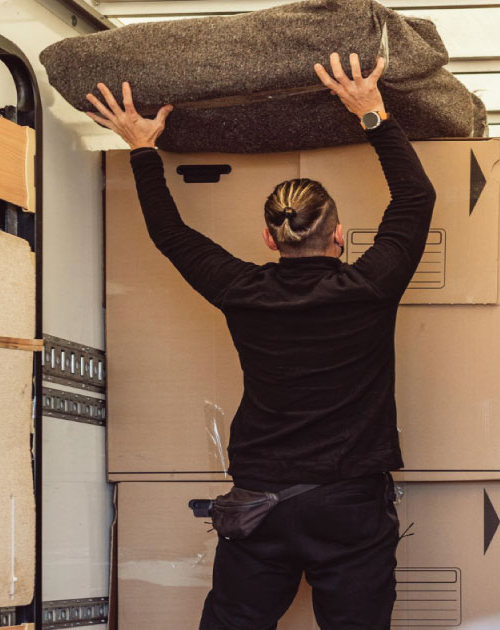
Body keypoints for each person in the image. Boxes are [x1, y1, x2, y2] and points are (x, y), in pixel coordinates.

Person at [86, 52, 436, 630]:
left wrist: (143, 148)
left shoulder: (242, 290)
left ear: (270, 239)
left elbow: (170, 234)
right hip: (349, 503)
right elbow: (415, 199)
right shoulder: (371, 285)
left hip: (261, 502)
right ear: (340, 236)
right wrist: (372, 113)